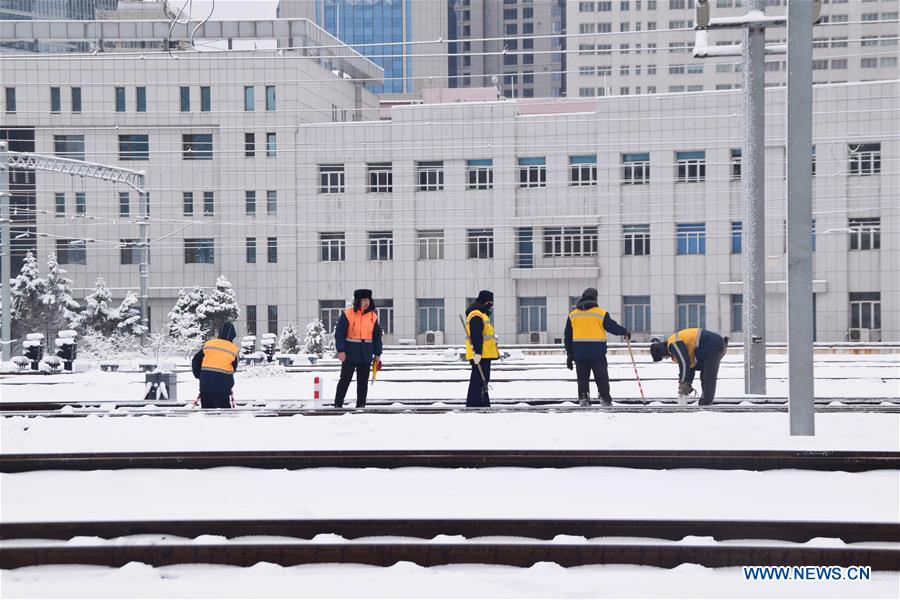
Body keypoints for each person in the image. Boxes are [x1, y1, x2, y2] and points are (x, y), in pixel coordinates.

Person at [564, 287, 630, 406]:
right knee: (601, 378)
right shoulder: (600, 313)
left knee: (582, 379)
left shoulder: (573, 315)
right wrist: (624, 332)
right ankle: (604, 399)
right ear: (595, 298)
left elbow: (568, 336)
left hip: (580, 354)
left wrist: (569, 354)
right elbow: (612, 327)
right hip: (597, 353)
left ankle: (583, 398)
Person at [649, 328, 729, 405]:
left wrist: (683, 382)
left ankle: (706, 404)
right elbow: (690, 366)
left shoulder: (673, 344)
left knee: (708, 376)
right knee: (705, 375)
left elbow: (684, 362)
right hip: (711, 346)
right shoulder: (674, 348)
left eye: (663, 357)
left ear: (661, 352)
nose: (666, 358)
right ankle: (705, 403)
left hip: (713, 344)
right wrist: (688, 382)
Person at [333, 289, 383, 408]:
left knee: (363, 381)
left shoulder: (373, 316)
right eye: (364, 300)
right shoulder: (348, 314)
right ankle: (338, 404)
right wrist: (341, 350)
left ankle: (361, 405)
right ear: (358, 301)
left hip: (366, 353)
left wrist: (377, 354)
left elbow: (377, 337)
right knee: (345, 379)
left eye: (368, 300)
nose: (366, 302)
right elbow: (339, 333)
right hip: (350, 353)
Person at [191, 322, 239, 409]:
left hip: (205, 385)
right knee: (225, 413)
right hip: (223, 387)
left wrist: (199, 375)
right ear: (233, 335)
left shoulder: (209, 344)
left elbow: (196, 360)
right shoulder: (233, 349)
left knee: (207, 411)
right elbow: (234, 368)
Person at [464, 290, 499, 408]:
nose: (491, 305)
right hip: (480, 355)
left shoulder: (481, 313)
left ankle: (482, 403)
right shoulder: (476, 315)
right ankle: (474, 405)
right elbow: (476, 335)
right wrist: (478, 353)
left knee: (482, 380)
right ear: (485, 301)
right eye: (490, 302)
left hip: (484, 354)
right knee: (478, 381)